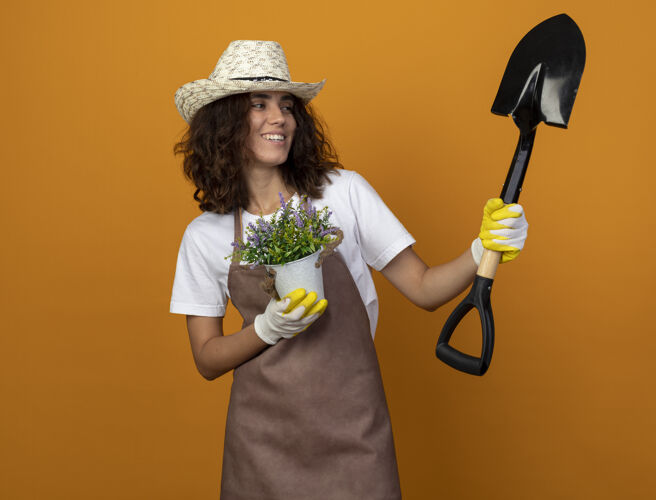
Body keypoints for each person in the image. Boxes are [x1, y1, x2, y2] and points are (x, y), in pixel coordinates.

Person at [170, 40, 528, 499]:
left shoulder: (343, 194)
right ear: (223, 123)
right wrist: (268, 328)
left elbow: (424, 288)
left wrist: (483, 247)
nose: (279, 117)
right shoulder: (206, 235)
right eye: (258, 104)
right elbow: (206, 359)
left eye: (286, 105)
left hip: (355, 431)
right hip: (262, 443)